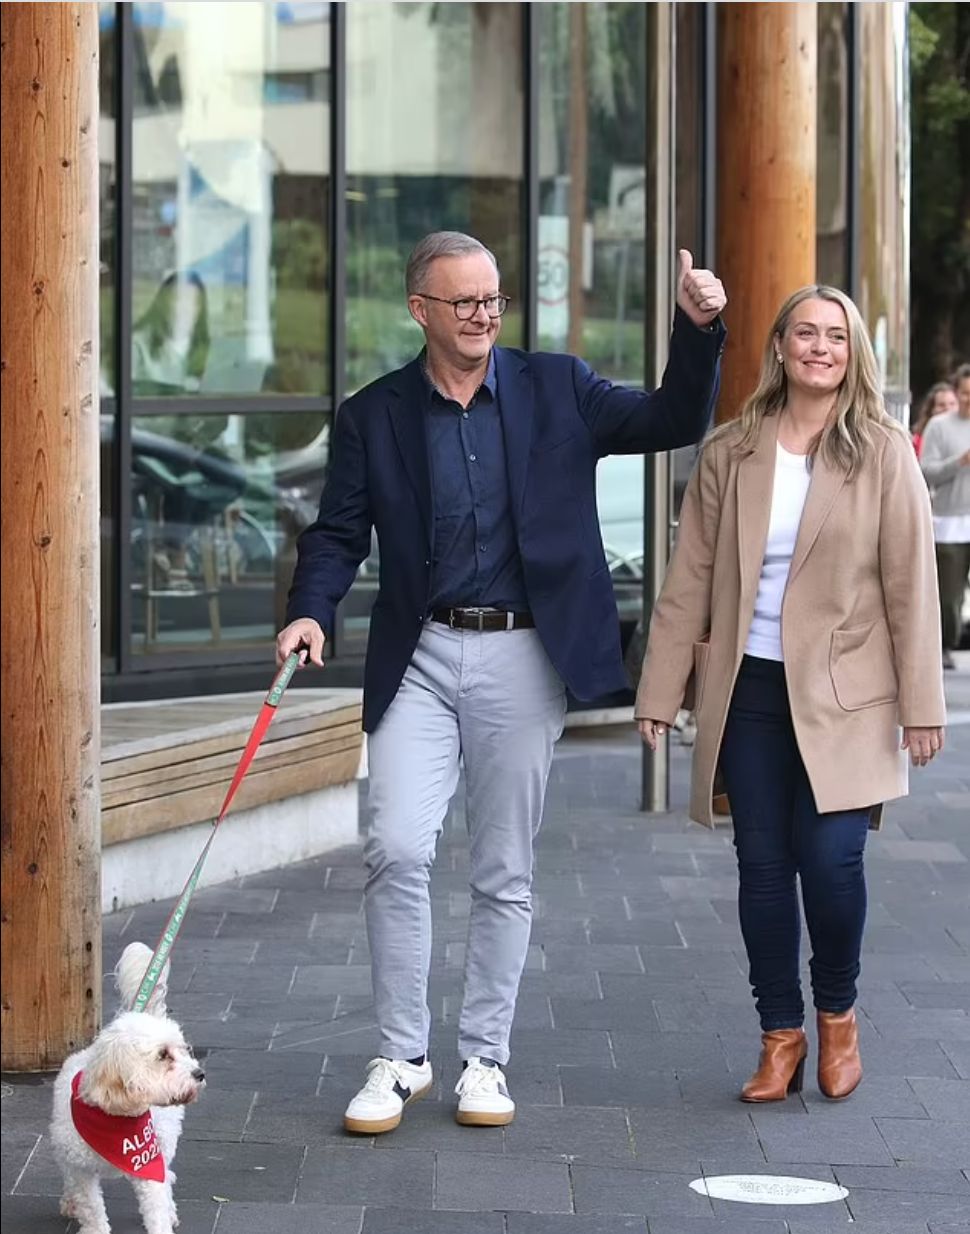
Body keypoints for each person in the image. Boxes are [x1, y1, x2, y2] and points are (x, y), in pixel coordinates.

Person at [276, 231, 726, 1133]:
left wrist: (698, 331)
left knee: (502, 868)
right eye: (465, 302)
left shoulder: (558, 386)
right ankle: (402, 1057)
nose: (484, 315)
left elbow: (670, 421)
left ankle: (484, 1059)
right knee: (396, 847)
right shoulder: (375, 415)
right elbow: (337, 533)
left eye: (493, 299)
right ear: (421, 310)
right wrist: (311, 609)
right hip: (421, 654)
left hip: (523, 653)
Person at [636, 285, 945, 1105]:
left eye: (835, 337)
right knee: (764, 869)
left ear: (852, 354)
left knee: (833, 862)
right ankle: (780, 1035)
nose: (819, 348)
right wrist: (660, 691)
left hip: (850, 696)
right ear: (778, 346)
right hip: (749, 689)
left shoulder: (882, 451)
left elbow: (913, 585)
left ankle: (837, 1014)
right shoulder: (732, 450)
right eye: (805, 333)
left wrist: (923, 706)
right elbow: (690, 578)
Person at [920, 362, 970, 670]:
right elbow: (926, 471)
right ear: (956, 392)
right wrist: (960, 461)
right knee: (949, 597)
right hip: (950, 523)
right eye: (965, 393)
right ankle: (945, 644)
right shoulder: (939, 427)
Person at [911, 380, 957, 459]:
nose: (947, 408)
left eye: (952, 404)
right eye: (941, 405)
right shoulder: (918, 440)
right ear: (931, 409)